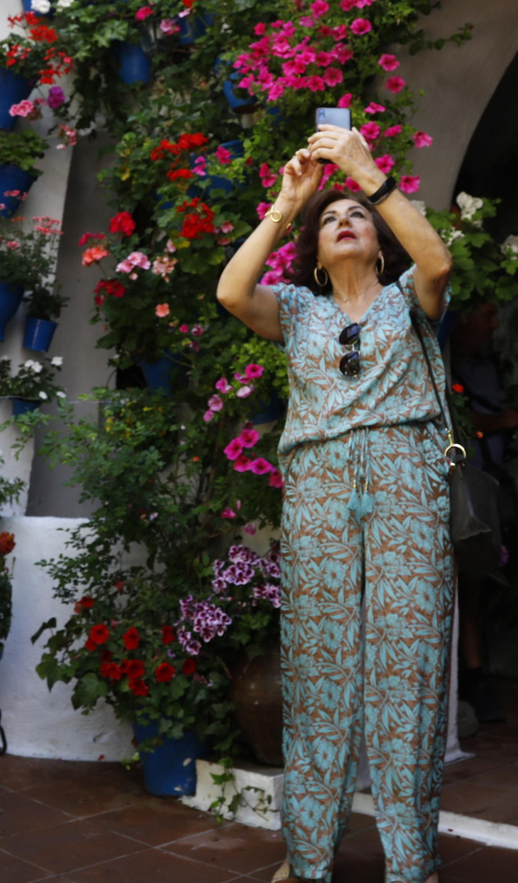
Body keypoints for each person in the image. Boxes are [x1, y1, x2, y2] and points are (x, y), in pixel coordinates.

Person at [217, 125, 456, 883]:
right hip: (319, 489)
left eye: (355, 216)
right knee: (318, 671)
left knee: (409, 669)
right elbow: (229, 291)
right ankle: (308, 856)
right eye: (330, 219)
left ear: (380, 243)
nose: (343, 219)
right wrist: (288, 205)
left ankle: (411, 862)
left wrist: (364, 171)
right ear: (315, 253)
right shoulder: (295, 312)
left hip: (405, 482)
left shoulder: (409, 298)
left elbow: (440, 258)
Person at [449, 303, 518, 727]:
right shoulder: (445, 360)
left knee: (477, 587)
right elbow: (458, 420)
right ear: (463, 317)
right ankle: (470, 681)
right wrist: (502, 420)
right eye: (487, 313)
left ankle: (476, 678)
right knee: (464, 586)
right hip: (457, 492)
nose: (495, 322)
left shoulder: (486, 367)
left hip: (486, 490)